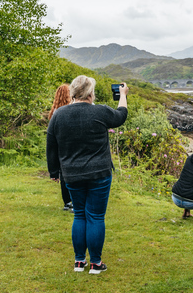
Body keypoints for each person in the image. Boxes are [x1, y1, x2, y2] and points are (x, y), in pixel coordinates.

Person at [46, 75, 129, 274]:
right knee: (96, 217)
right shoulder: (100, 111)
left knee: (80, 215)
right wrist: (123, 95)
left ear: (73, 92)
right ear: (90, 93)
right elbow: (121, 115)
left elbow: (51, 144)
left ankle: (79, 262)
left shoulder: (59, 114)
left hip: (72, 175)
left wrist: (54, 171)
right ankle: (96, 264)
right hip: (99, 174)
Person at [48, 84, 74, 213]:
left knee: (63, 174)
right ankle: (72, 201)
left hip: (58, 146)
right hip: (69, 145)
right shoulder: (70, 110)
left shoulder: (54, 112)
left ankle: (67, 202)